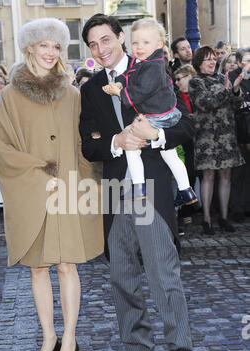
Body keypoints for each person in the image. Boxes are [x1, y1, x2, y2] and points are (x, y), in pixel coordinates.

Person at [80, 13, 194, 351]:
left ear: (121, 39)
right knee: (122, 276)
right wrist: (115, 142)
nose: (101, 49)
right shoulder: (92, 87)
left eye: (106, 39)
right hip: (115, 191)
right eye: (93, 44)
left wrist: (153, 138)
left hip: (151, 189)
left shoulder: (153, 70)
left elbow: (184, 126)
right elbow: (89, 144)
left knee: (164, 277)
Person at [0, 18, 103, 351]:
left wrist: (93, 180)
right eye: (44, 46)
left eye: (57, 47)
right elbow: (2, 147)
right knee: (37, 268)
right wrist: (35, 165)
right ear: (29, 49)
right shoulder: (10, 96)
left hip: (68, 191)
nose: (51, 53)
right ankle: (48, 337)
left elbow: (86, 142)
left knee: (66, 264)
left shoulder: (72, 94)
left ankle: (69, 338)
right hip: (32, 192)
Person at [101, 18, 197, 207]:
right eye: (135, 42)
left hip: (159, 118)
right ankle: (186, 190)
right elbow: (130, 73)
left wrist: (120, 92)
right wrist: (120, 81)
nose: (139, 47)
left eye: (145, 42)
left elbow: (141, 90)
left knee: (132, 149)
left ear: (159, 44)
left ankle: (138, 187)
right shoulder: (146, 61)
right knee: (170, 155)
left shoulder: (153, 65)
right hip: (163, 116)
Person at [189, 46, 245, 235]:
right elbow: (205, 103)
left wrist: (236, 91)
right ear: (199, 63)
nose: (213, 62)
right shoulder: (195, 82)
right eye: (208, 59)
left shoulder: (223, 79)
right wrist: (227, 90)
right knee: (209, 176)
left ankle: (223, 217)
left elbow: (236, 104)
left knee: (226, 176)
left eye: (214, 58)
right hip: (207, 138)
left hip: (227, 136)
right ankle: (206, 219)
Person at [173, 64, 198, 229]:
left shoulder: (198, 94)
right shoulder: (175, 96)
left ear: (190, 76)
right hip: (183, 142)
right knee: (184, 176)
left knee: (194, 176)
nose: (176, 83)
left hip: (200, 140)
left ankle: (191, 210)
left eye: (179, 79)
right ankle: (184, 214)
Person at [228, 47, 250, 222]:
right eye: (246, 60)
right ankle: (237, 208)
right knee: (238, 171)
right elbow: (231, 101)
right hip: (237, 128)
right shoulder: (233, 76)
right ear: (239, 62)